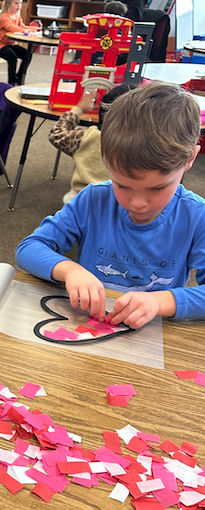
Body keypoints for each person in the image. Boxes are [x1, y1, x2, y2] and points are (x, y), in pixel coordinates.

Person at [16, 82, 205, 330]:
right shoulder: (93, 199)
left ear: (190, 158)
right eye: (122, 185)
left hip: (151, 336)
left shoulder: (196, 216)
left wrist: (160, 301)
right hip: (83, 327)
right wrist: (69, 270)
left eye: (157, 188)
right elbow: (29, 248)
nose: (137, 203)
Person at [49, 83, 132, 203]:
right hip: (118, 204)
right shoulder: (142, 147)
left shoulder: (86, 137)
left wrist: (79, 108)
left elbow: (56, 133)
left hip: (80, 201)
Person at [0, 0, 36, 86]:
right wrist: (24, 31)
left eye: (20, 3)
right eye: (16, 3)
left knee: (27, 54)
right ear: (8, 3)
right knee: (12, 57)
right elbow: (11, 27)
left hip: (11, 44)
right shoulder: (4, 17)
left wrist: (34, 28)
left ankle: (19, 77)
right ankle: (11, 81)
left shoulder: (17, 15)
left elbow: (22, 26)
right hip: (0, 45)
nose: (19, 6)